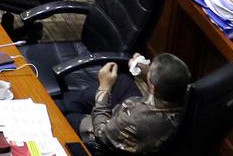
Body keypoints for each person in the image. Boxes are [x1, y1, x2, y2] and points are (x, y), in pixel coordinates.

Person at [57, 53, 189, 154]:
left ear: (153, 88)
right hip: (143, 116)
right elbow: (164, 84)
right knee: (123, 80)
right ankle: (63, 104)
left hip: (114, 133)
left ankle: (57, 110)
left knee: (67, 118)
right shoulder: (189, 96)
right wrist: (142, 69)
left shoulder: (135, 119)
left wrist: (104, 88)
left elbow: (101, 133)